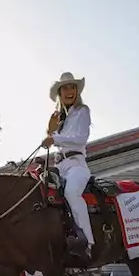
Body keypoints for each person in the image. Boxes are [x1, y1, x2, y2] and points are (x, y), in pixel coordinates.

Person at [42, 72, 93, 257]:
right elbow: (52, 136)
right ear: (60, 93)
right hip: (60, 165)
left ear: (77, 91)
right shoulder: (61, 118)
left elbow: (81, 138)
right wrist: (51, 130)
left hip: (76, 164)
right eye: (65, 88)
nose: (69, 91)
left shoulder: (83, 111)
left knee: (72, 192)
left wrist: (54, 138)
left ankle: (87, 242)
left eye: (72, 87)